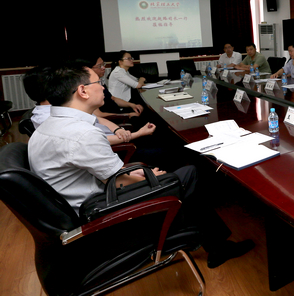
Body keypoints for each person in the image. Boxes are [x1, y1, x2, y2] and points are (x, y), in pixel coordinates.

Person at [27, 61, 254, 268]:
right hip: (101, 213)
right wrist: (149, 176)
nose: (103, 87)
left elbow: (109, 174)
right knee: (188, 174)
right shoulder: (81, 134)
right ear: (82, 91)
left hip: (86, 203)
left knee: (168, 172)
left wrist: (140, 173)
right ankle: (216, 246)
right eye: (98, 83)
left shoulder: (50, 125)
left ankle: (196, 231)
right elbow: (120, 182)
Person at [22, 65, 154, 146]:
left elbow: (97, 119)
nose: (102, 87)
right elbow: (93, 142)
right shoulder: (51, 119)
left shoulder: (59, 109)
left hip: (116, 140)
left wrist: (117, 130)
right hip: (117, 147)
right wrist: (136, 134)